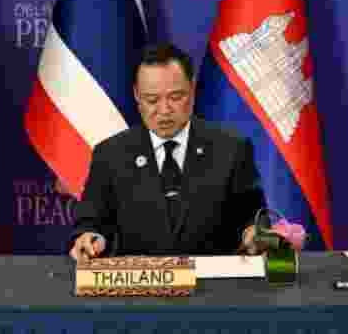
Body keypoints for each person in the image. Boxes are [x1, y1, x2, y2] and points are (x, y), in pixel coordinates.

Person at [70, 43, 266, 262]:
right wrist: (91, 238)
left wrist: (254, 233)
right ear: (136, 95)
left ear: (192, 89)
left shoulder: (231, 149)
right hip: (137, 289)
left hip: (216, 288)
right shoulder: (110, 155)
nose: (164, 110)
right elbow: (92, 222)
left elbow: (252, 217)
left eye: (175, 97)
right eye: (152, 100)